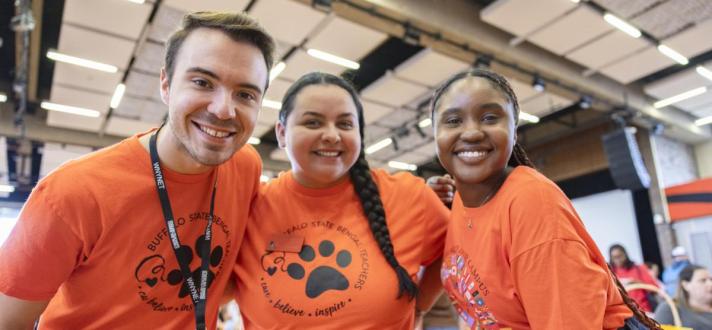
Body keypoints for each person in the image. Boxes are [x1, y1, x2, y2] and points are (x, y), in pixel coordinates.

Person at [0, 11, 274, 329]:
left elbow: (215, 282)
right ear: (166, 84)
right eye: (202, 82)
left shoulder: (245, 166)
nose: (223, 109)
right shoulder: (72, 193)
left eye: (245, 94)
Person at [429, 69, 660, 329]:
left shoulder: (531, 204)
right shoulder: (461, 201)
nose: (471, 132)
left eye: (490, 117)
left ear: (514, 132)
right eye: (452, 121)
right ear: (435, 136)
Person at [232, 72, 449, 329]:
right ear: (281, 133)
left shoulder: (408, 195)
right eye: (313, 123)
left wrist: (421, 304)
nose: (332, 135)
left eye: (345, 124)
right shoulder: (250, 205)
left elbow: (457, 248)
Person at [654, 264, 712, 329]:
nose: (710, 284)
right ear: (686, 285)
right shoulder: (670, 308)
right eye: (703, 280)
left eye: (711, 279)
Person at [609, 244, 661, 313]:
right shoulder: (611, 273)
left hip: (643, 311)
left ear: (625, 254)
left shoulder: (638, 268)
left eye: (620, 256)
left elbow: (654, 288)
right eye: (614, 258)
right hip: (624, 314)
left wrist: (635, 282)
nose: (618, 260)